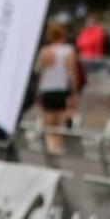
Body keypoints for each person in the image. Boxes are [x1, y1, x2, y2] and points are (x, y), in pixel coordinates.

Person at [35, 22, 79, 151]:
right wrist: (74, 92)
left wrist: (37, 92)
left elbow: (39, 72)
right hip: (61, 88)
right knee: (59, 120)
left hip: (46, 88)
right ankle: (56, 146)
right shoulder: (68, 51)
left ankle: (49, 146)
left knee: (47, 119)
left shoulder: (45, 51)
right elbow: (72, 73)